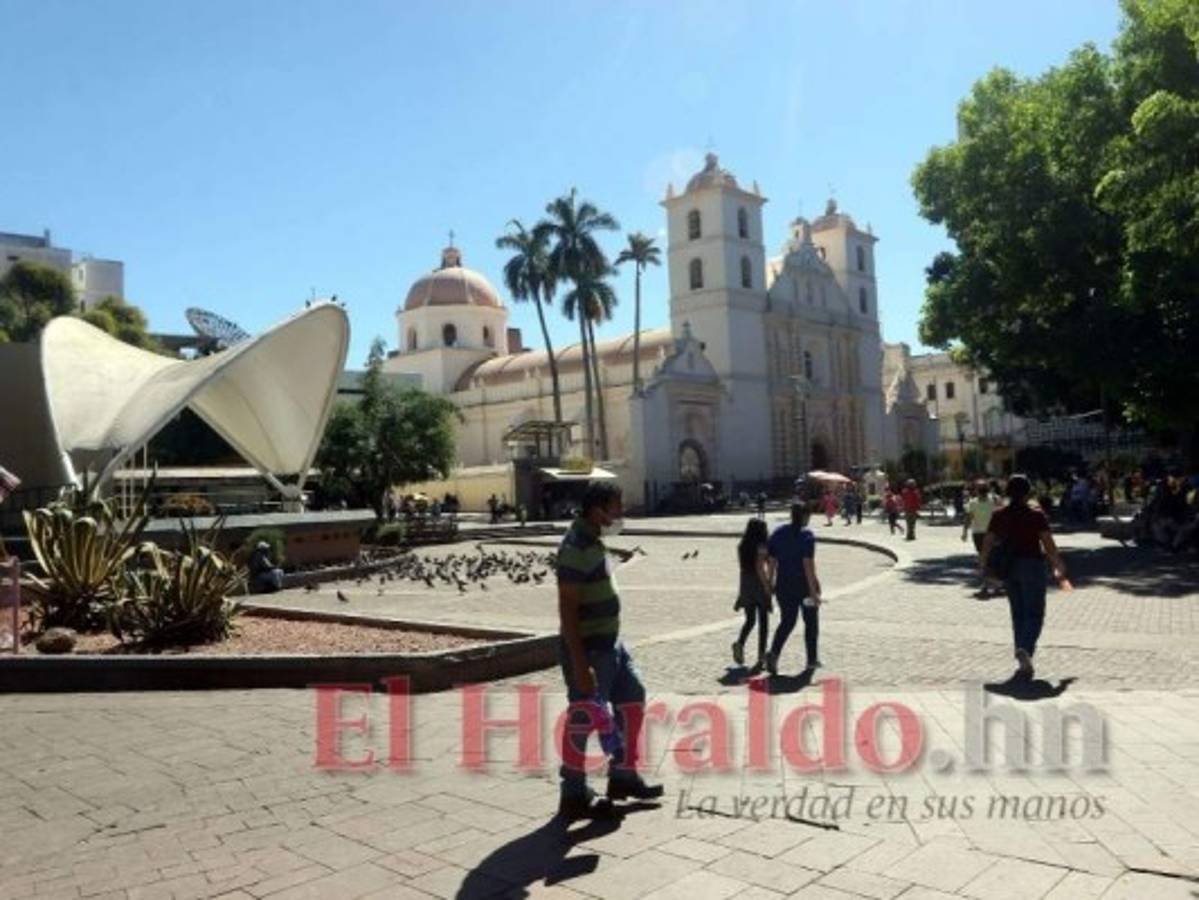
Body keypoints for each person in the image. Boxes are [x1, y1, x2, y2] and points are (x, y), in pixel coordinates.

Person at [556, 482, 662, 819]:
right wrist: (579, 663)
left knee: (633, 696)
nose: (620, 514)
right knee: (584, 717)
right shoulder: (574, 547)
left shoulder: (593, 540)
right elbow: (567, 611)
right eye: (616, 507)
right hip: (589, 651)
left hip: (611, 644)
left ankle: (623, 776)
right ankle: (572, 792)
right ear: (597, 509)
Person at [980, 474, 1068, 681]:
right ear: (1028, 492)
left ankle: (1022, 657)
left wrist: (983, 564)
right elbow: (1048, 543)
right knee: (1034, 614)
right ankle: (1025, 649)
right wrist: (1058, 564)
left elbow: (988, 541)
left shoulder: (999, 514)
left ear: (1007, 492)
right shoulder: (1036, 515)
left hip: (1009, 568)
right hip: (1032, 566)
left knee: (1018, 613)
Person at [765, 503, 822, 675]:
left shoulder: (778, 533)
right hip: (803, 586)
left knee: (787, 621)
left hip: (783, 584)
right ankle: (811, 660)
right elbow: (808, 565)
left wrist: (769, 582)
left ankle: (773, 653)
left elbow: (772, 561)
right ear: (804, 516)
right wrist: (813, 590)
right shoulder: (807, 536)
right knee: (811, 622)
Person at [732, 518, 772, 670]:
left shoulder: (742, 546)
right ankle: (761, 657)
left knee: (750, 620)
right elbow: (760, 567)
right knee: (763, 623)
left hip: (745, 584)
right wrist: (768, 586)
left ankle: (740, 643)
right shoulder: (761, 546)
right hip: (758, 584)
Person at [962, 481, 999, 596]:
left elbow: (968, 518)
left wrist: (964, 532)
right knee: (993, 557)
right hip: (992, 533)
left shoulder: (973, 503)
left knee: (983, 557)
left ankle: (986, 584)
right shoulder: (994, 500)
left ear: (977, 490)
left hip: (978, 534)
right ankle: (995, 583)